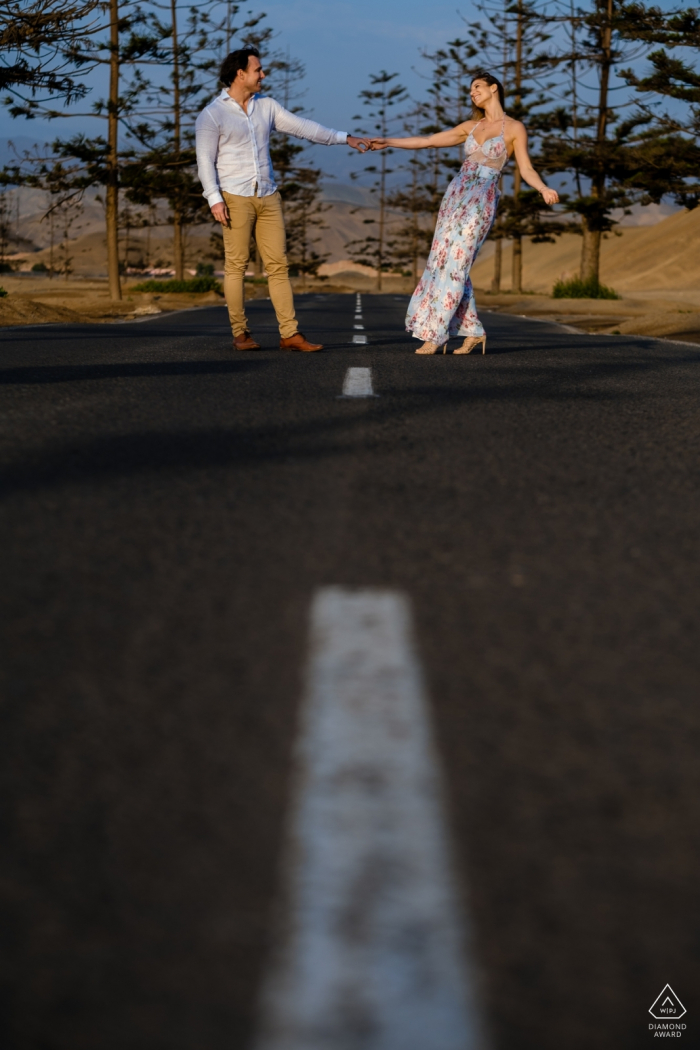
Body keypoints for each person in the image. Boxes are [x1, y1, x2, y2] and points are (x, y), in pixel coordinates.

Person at [370, 71, 559, 355]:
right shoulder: (470, 126)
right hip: (455, 196)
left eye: (477, 87)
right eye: (470, 89)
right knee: (441, 262)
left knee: (457, 265)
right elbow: (429, 140)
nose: (472, 92)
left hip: (482, 199)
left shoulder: (515, 128)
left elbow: (526, 168)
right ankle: (473, 331)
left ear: (494, 88)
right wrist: (388, 141)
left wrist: (542, 188)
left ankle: (436, 334)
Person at [196, 48, 370, 352]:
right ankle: (241, 333)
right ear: (240, 74)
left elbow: (304, 128)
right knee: (236, 266)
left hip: (268, 196)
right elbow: (204, 162)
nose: (263, 75)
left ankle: (289, 334)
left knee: (278, 266)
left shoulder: (267, 106)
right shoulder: (212, 114)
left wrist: (346, 138)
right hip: (234, 197)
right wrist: (214, 198)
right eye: (258, 70)